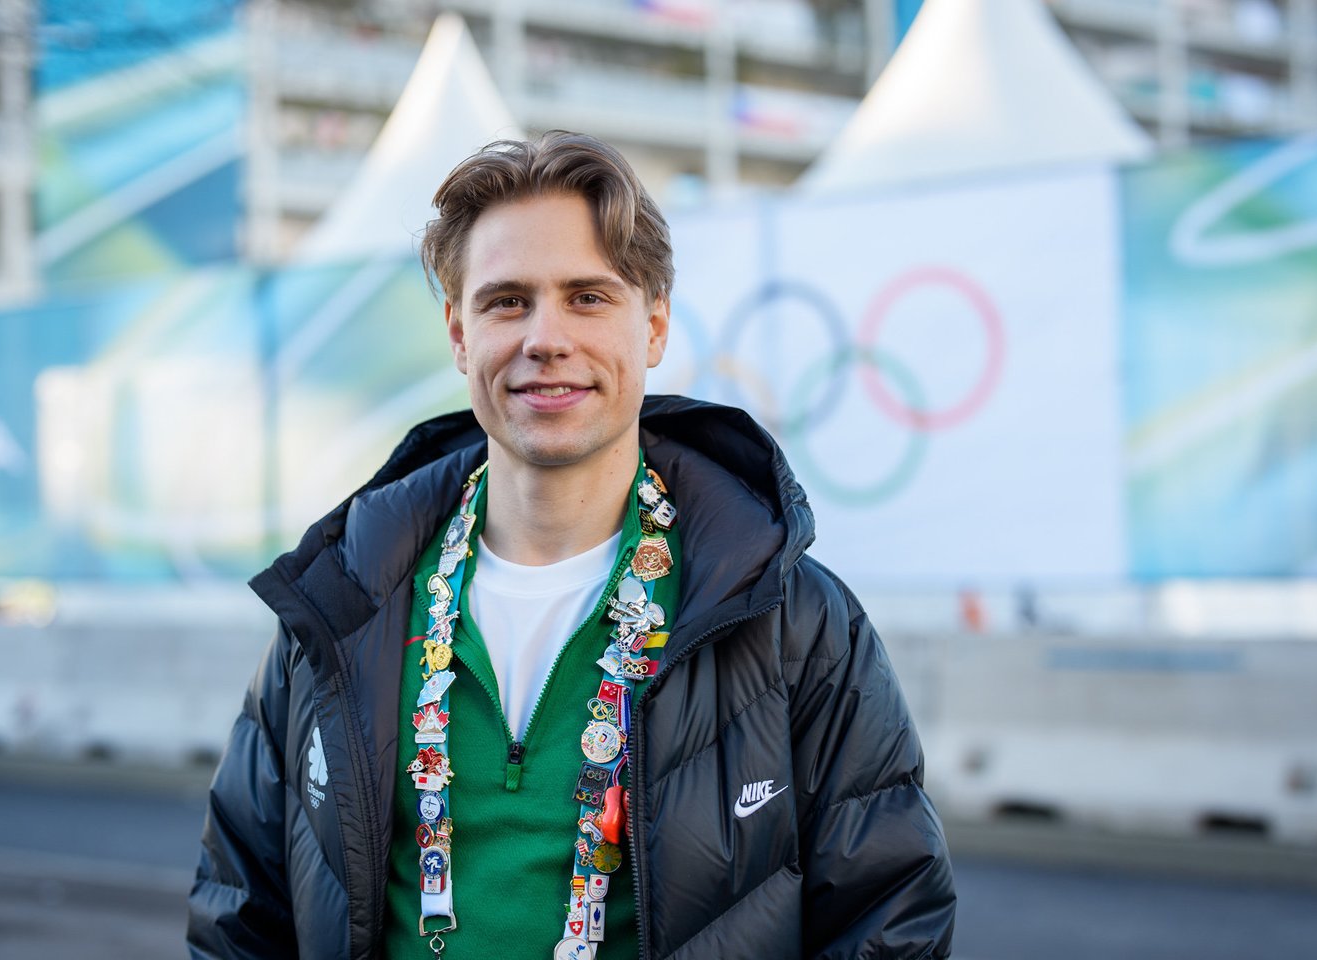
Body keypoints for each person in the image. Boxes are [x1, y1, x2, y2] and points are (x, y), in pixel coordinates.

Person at [188, 131, 955, 960]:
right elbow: (240, 916)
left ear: (653, 325)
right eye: (506, 301)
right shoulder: (341, 606)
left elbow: (889, 923)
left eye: (587, 297)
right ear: (458, 334)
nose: (545, 338)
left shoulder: (792, 621)